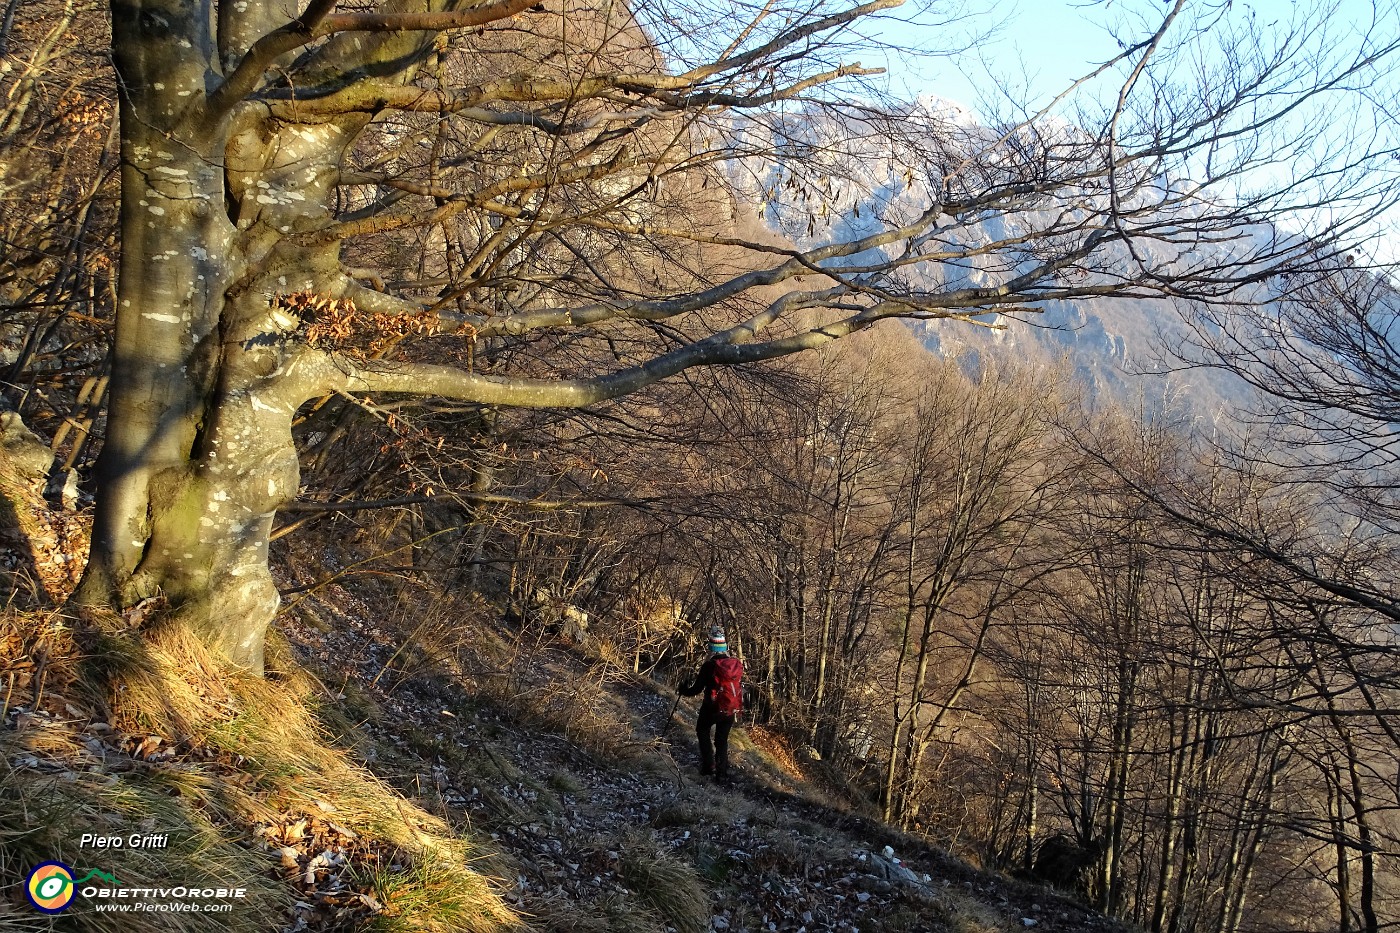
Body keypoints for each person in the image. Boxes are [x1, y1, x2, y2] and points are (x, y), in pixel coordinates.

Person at [680, 627, 743, 782]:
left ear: (711, 648)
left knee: (702, 730)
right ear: (725, 647)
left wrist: (683, 689)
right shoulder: (734, 665)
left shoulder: (709, 666)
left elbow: (696, 689)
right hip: (730, 708)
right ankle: (722, 773)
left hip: (711, 707)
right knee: (722, 740)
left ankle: (709, 766)